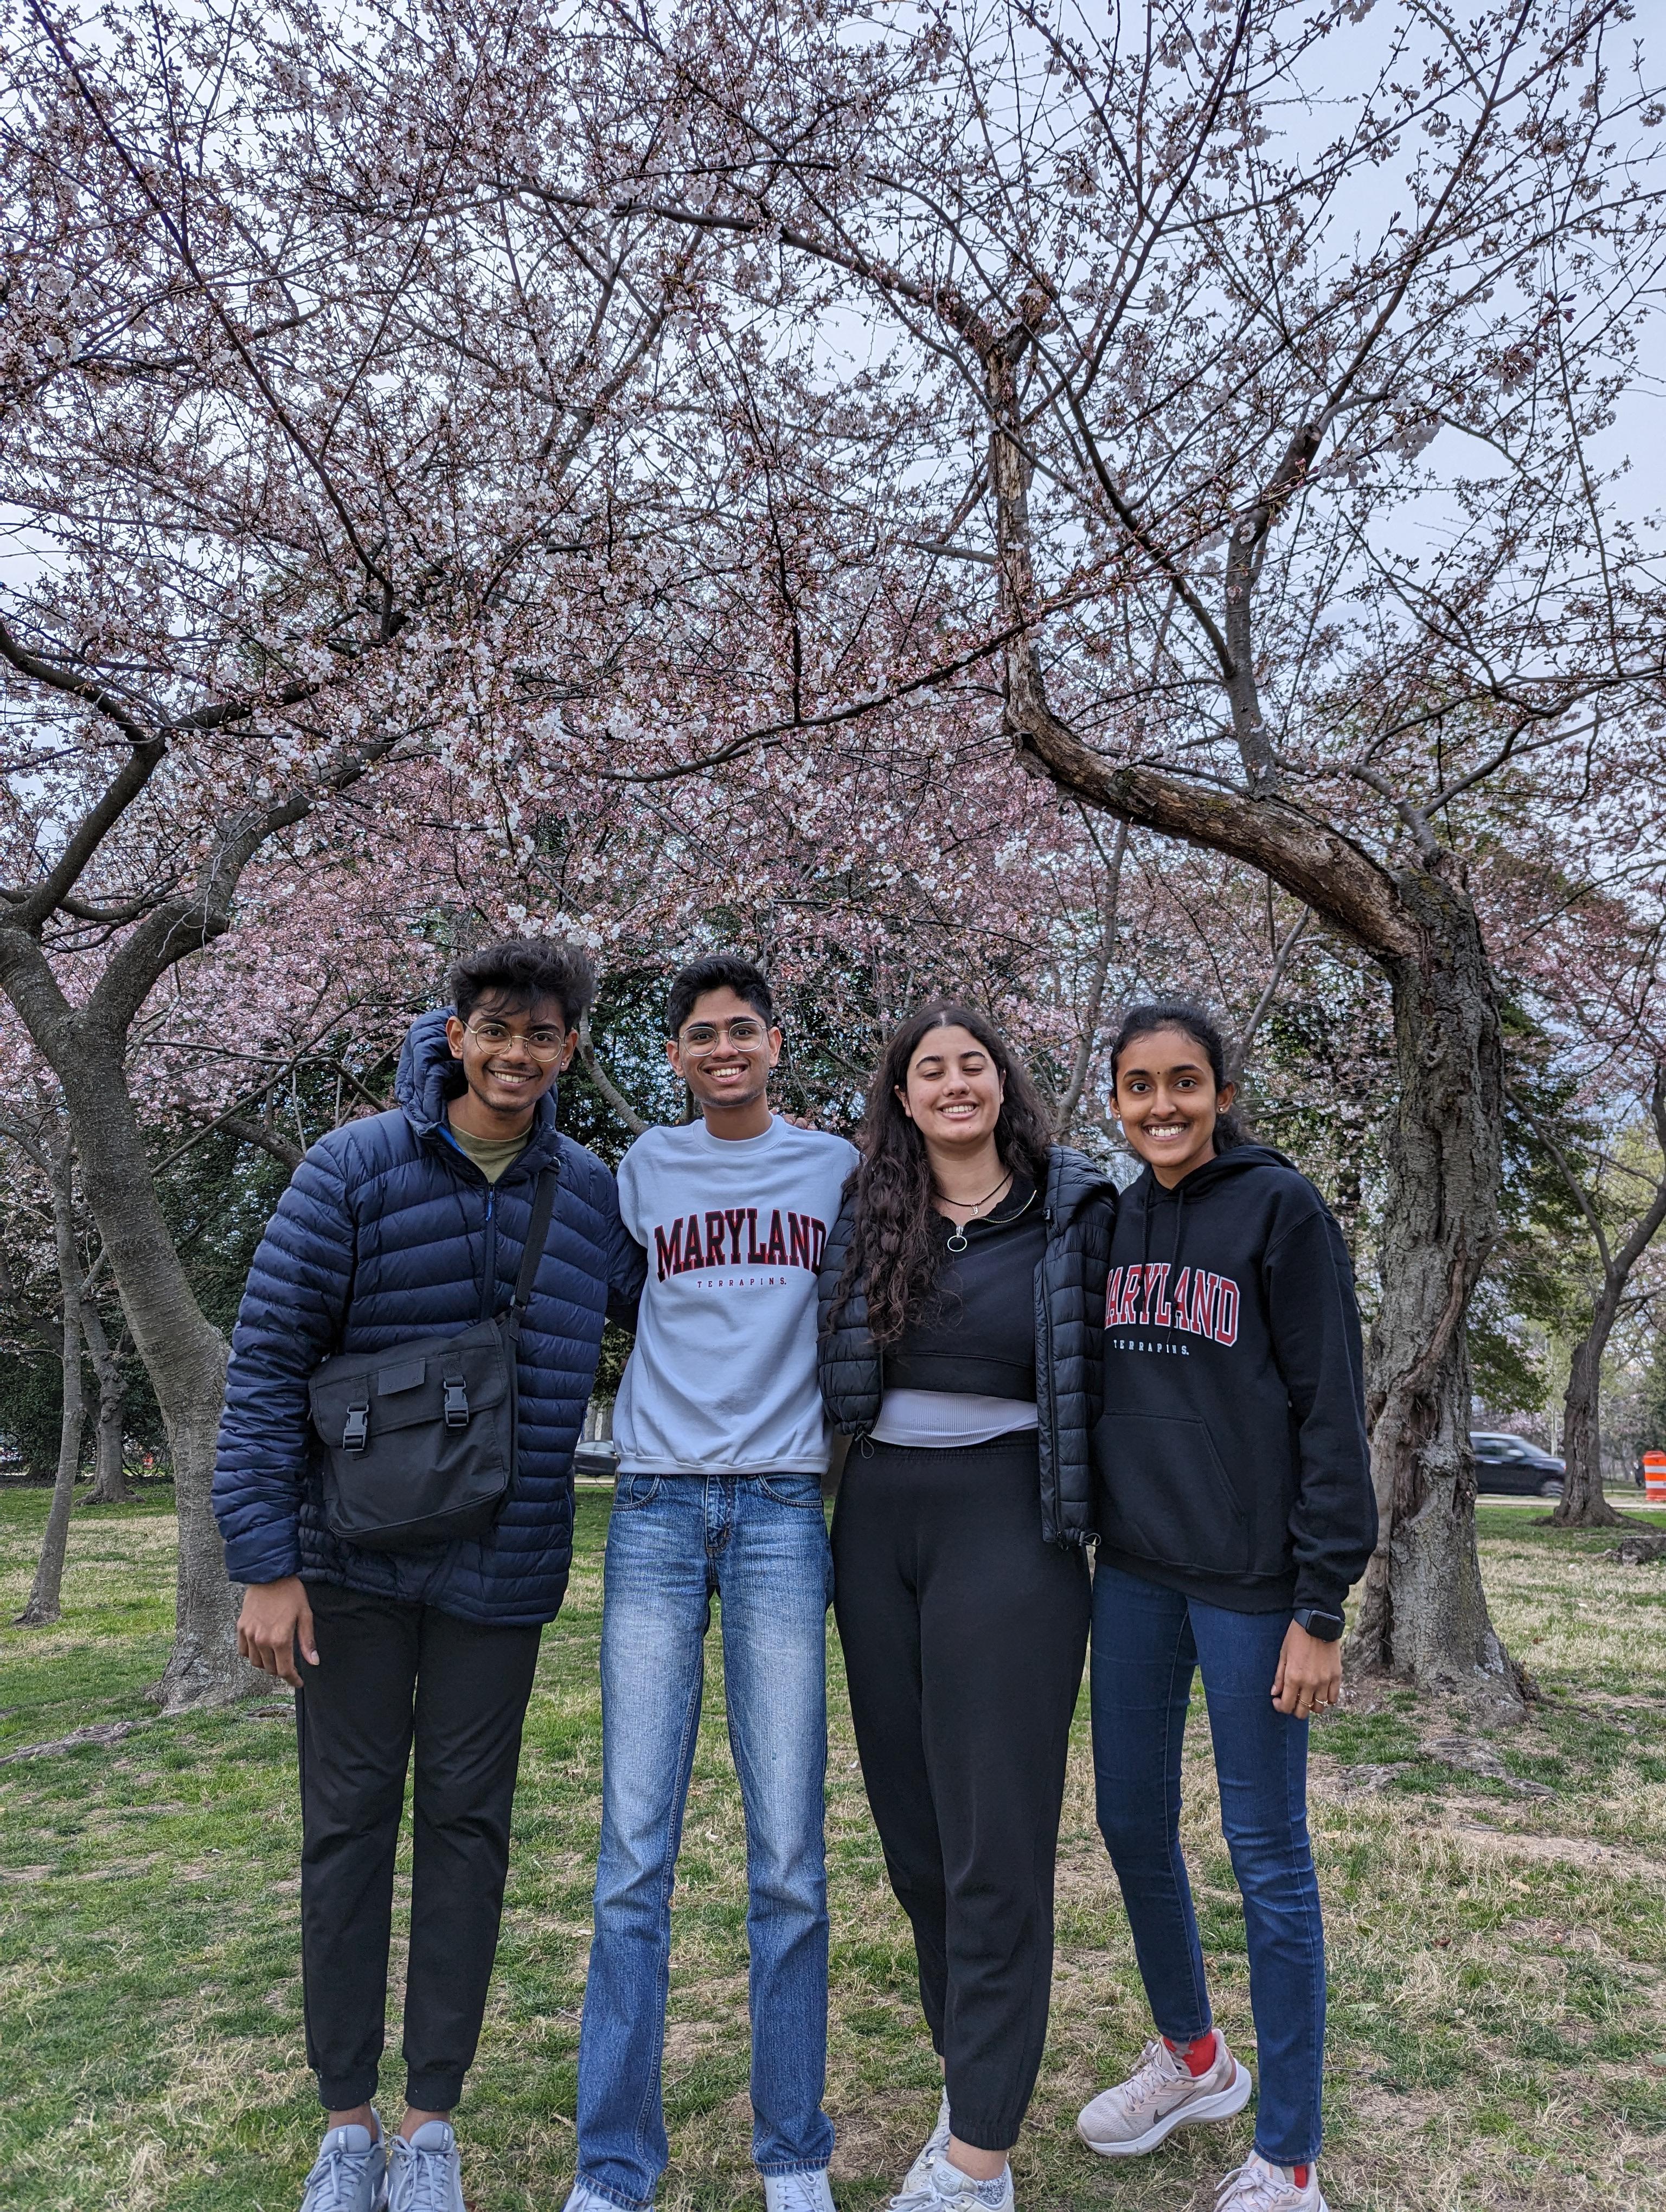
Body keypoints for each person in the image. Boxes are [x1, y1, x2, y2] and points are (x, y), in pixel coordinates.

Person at [214, 937, 644, 2212]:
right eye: (497, 1030)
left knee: (469, 1833)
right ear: (453, 1033)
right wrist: (263, 1563)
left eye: (545, 1036)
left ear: (571, 1051)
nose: (518, 1056)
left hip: (498, 1575)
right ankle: (346, 2125)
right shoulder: (352, 1169)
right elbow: (265, 1369)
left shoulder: (591, 1194)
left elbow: (697, 1303)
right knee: (345, 1832)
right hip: (344, 1568)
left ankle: (431, 2123)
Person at [563, 954, 858, 2212]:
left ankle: (794, 2151)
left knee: (787, 1850)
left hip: (788, 1510)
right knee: (636, 1849)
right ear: (675, 1059)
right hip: (657, 1511)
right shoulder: (642, 1174)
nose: (723, 1050)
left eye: (743, 1031)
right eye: (699, 1037)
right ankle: (616, 2164)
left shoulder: (837, 1169)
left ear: (776, 1043)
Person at [1076, 1001, 1377, 2212]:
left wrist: (1322, 1604)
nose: (1163, 1106)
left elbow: (1330, 1409)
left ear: (1224, 1092)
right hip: (1137, 1575)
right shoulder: (1117, 1216)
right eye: (1140, 1086)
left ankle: (1290, 2158)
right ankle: (1195, 2058)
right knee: (1129, 1824)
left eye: (1185, 1084)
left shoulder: (1281, 1209)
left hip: (1259, 1590)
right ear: (1115, 1099)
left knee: (1267, 1857)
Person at [817, 1003, 1114, 2212]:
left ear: (1004, 1085)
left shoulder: (1075, 1210)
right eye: (928, 1068)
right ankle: (970, 2077)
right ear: (900, 1096)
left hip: (1011, 1518)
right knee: (918, 1840)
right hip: (879, 1516)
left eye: (972, 1064)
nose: (953, 1083)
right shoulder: (865, 1213)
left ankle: (982, 2158)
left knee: (995, 1836)